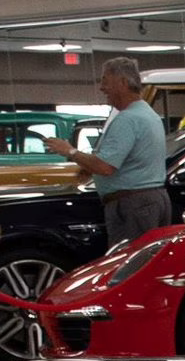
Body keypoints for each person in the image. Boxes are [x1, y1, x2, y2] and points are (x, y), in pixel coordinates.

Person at [44, 57, 168, 247]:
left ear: (123, 83)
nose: (102, 88)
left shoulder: (128, 119)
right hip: (149, 201)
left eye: (105, 81)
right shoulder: (148, 115)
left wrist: (69, 151)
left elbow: (105, 166)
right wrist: (87, 165)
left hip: (132, 205)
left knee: (129, 265)